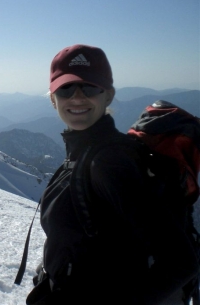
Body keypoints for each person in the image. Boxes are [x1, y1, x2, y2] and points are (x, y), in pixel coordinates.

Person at [27, 44, 199, 305]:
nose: (77, 97)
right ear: (52, 98)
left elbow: (181, 262)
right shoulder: (83, 153)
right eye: (65, 88)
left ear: (108, 96)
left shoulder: (108, 162)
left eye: (90, 87)